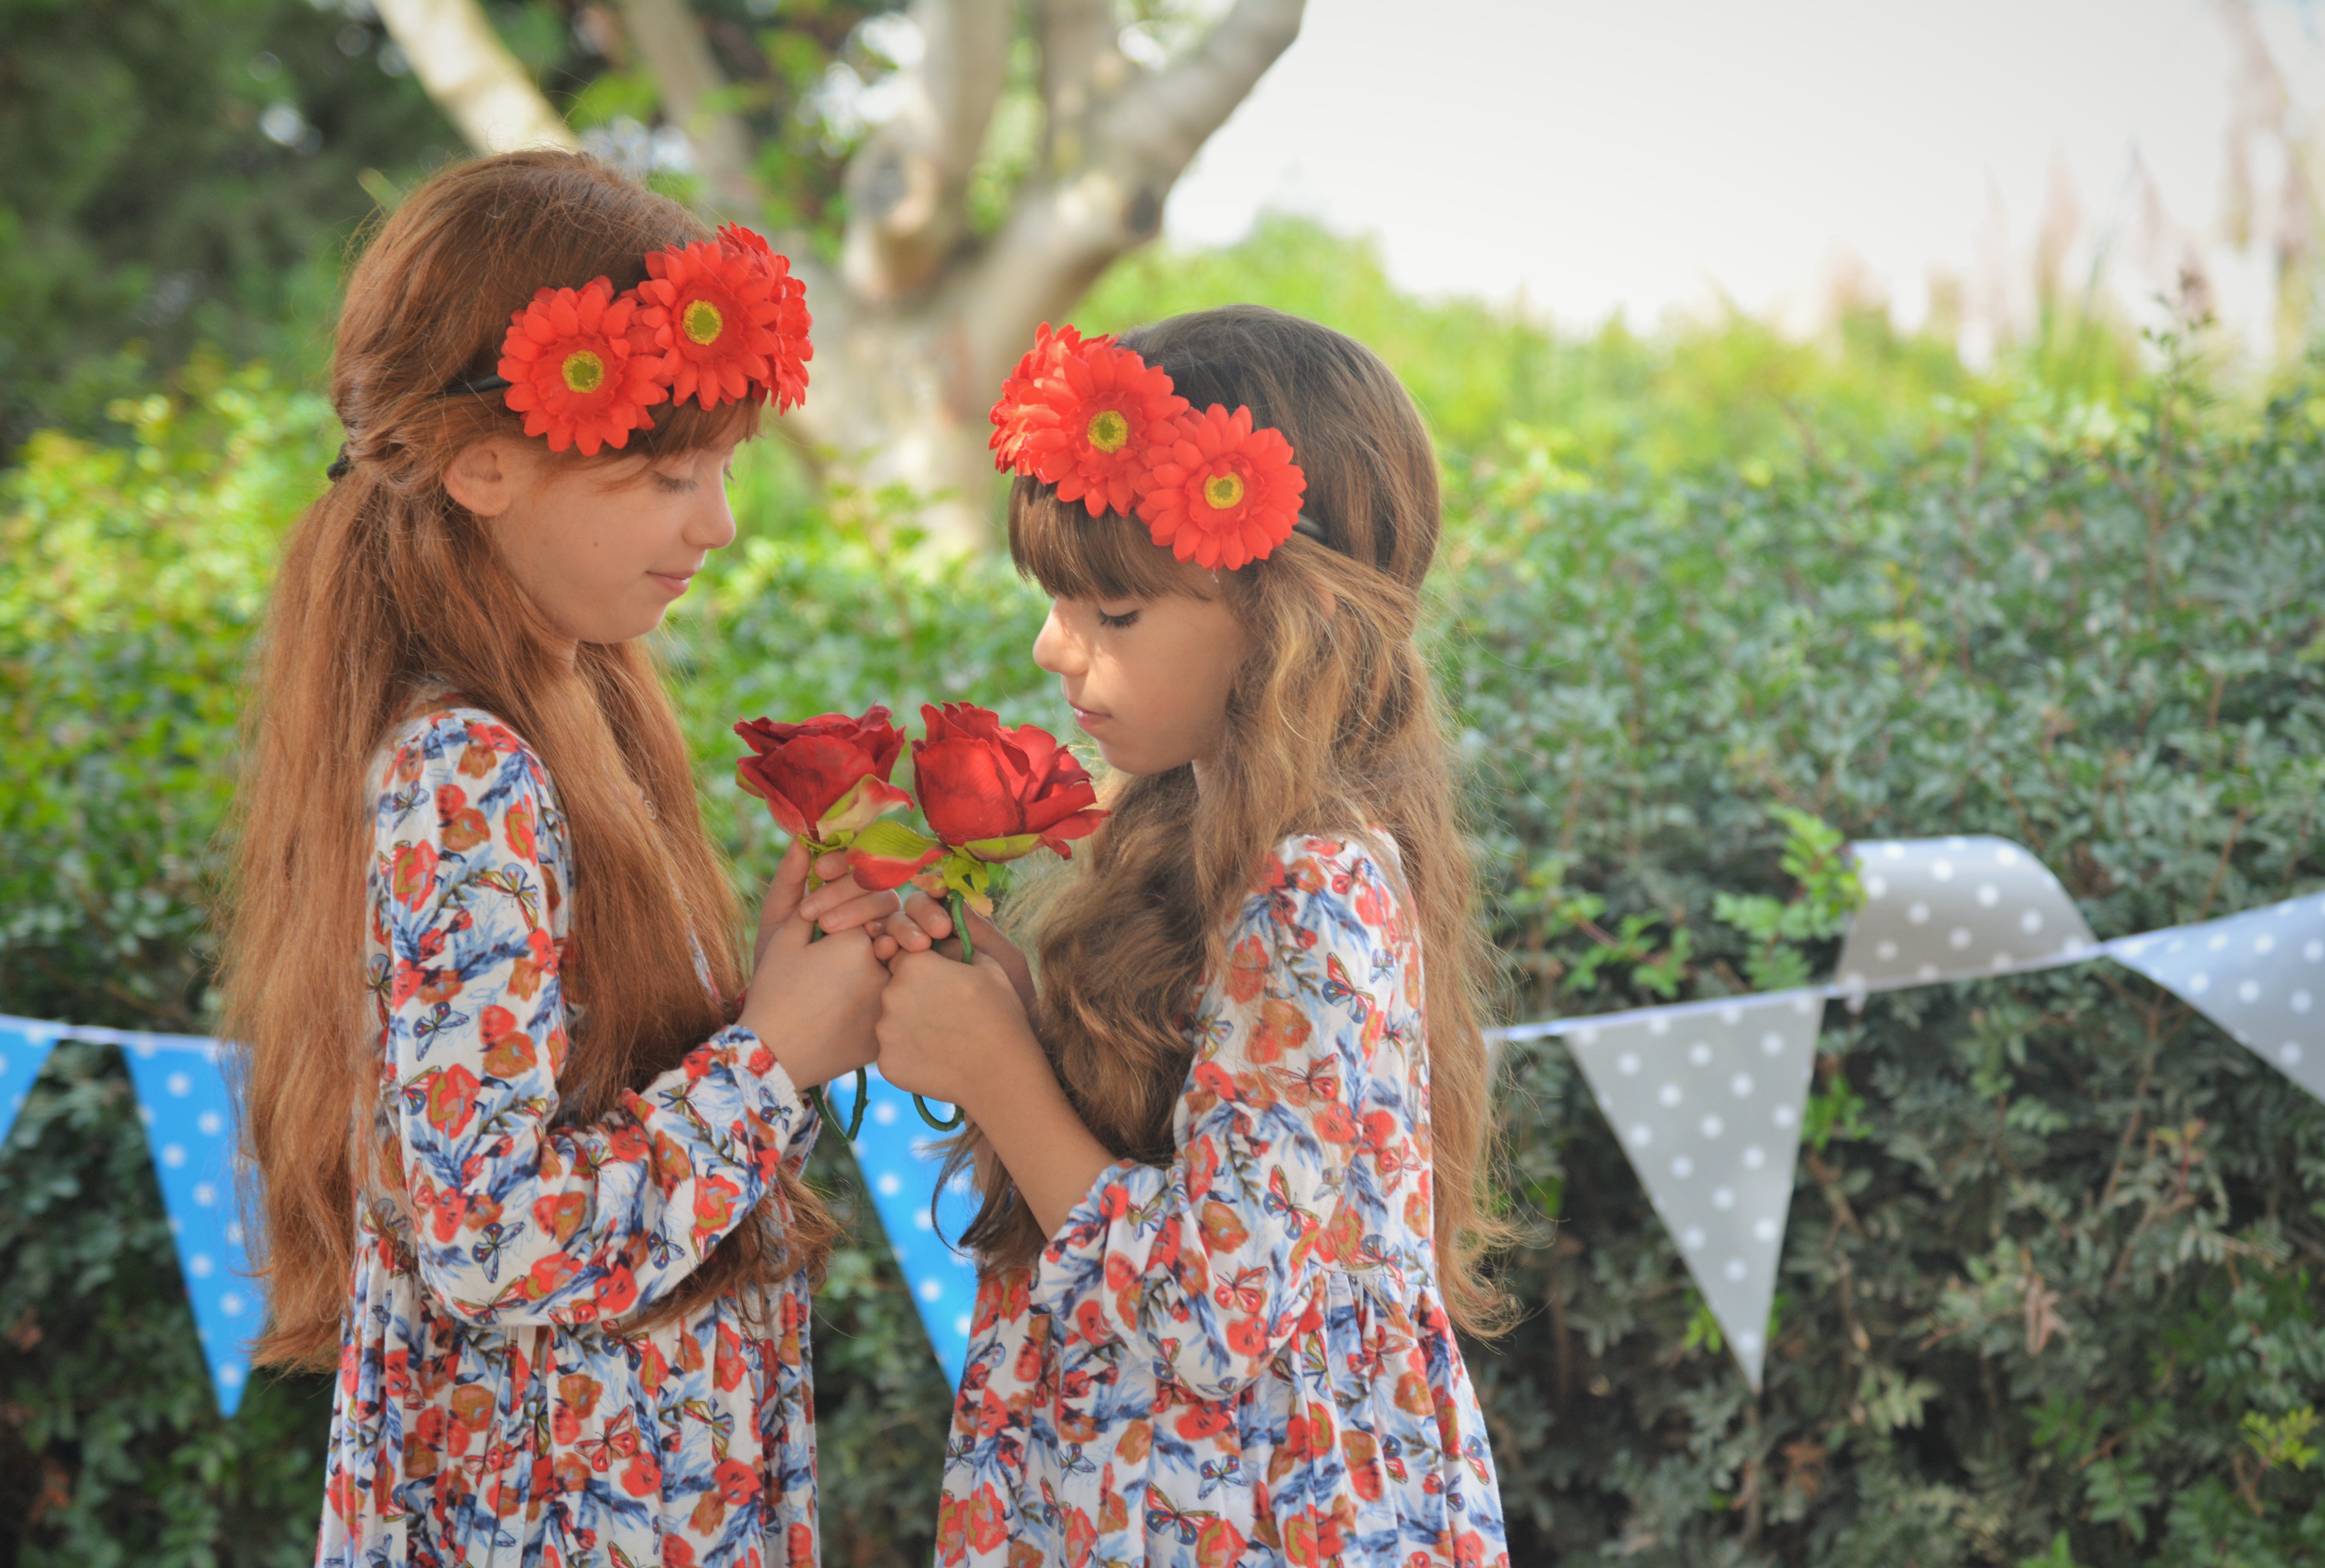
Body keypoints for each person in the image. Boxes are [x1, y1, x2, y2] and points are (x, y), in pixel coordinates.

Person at [220, 151, 898, 1567]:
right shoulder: (468, 773)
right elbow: (497, 1240)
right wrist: (772, 1058)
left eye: (723, 469)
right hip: (558, 1509)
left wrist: (776, 995)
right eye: (665, 474)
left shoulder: (568, 704)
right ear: (484, 464)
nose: (717, 523)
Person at [869, 305, 1514, 1566]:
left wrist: (999, 1077)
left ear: (1287, 623)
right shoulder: (1188, 836)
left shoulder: (1313, 894)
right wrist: (1011, 1019)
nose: (1053, 648)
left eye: (1113, 613)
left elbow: (1214, 1315)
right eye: (1058, 601)